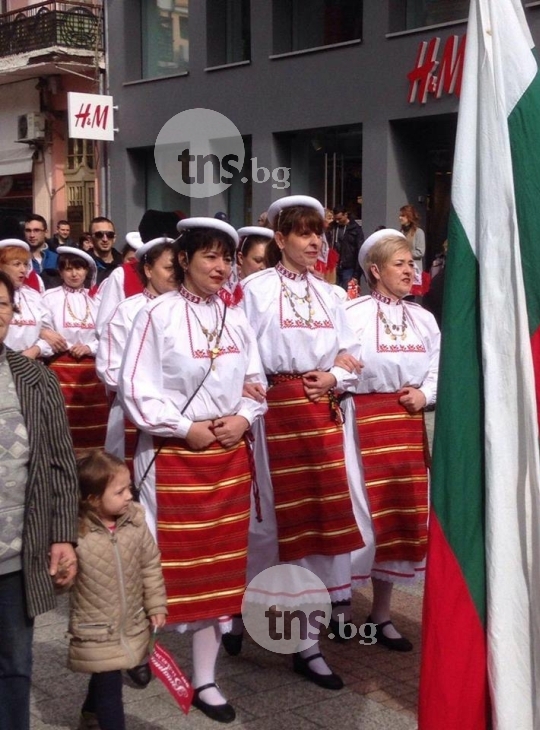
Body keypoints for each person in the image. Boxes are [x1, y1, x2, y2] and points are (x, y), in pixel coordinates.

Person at [119, 217, 267, 723]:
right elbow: (136, 389)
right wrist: (186, 429)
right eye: (210, 256)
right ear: (183, 260)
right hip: (172, 457)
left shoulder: (237, 320)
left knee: (218, 569)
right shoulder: (154, 315)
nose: (221, 267)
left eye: (226, 258)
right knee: (158, 562)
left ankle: (205, 679)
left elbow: (257, 382)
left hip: (226, 456)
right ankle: (134, 648)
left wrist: (242, 418)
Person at [240, 195, 363, 690]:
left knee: (321, 524)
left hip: (322, 415)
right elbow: (243, 350)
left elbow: (352, 355)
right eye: (304, 233)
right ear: (280, 239)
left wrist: (333, 375)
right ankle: (277, 628)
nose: (315, 242)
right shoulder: (253, 289)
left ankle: (308, 637)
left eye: (319, 233)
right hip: (273, 415)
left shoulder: (333, 295)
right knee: (279, 526)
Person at [342, 229, 440, 650]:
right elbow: (338, 362)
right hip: (359, 423)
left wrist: (424, 394)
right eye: (399, 263)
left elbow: (438, 368)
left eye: (410, 262)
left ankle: (381, 615)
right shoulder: (352, 313)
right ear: (375, 270)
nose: (409, 270)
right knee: (358, 517)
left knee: (399, 518)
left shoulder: (424, 318)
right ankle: (340, 609)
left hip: (405, 427)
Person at [0, 269, 78, 730]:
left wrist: (62, 535)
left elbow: (60, 463)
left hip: (15, 553)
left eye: (3, 305)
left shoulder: (33, 377)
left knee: (14, 665)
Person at [69, 449, 167, 730]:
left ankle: (89, 711)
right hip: (96, 627)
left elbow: (150, 564)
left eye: (129, 489)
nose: (129, 496)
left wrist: (156, 604)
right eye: (120, 491)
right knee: (111, 687)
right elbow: (62, 584)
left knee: (107, 671)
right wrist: (62, 575)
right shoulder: (77, 533)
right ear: (92, 499)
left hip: (131, 619)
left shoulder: (135, 522)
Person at [96, 237, 176, 469]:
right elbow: (109, 369)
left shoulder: (186, 309)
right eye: (168, 268)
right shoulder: (127, 311)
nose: (175, 274)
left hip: (180, 413)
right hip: (133, 412)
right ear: (149, 269)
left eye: (179, 268)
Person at [42, 247, 108, 450]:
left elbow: (107, 334)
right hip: (60, 369)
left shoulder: (96, 299)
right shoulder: (48, 297)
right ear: (60, 272)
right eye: (68, 269)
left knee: (93, 424)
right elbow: (45, 329)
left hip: (92, 373)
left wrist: (89, 347)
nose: (74, 274)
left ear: (87, 271)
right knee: (62, 420)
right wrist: (68, 345)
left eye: (79, 268)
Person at [0, 239, 61, 359]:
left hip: (30, 364)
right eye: (17, 264)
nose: (23, 270)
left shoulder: (33, 296)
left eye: (25, 264)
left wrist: (36, 349)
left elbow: (50, 336)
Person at [398, 204, 428, 297]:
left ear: (409, 217)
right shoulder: (400, 232)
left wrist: (405, 254)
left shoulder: (418, 232)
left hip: (413, 269)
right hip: (401, 268)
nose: (400, 218)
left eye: (403, 215)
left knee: (410, 297)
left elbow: (420, 252)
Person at [332, 206, 364, 290]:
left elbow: (360, 251)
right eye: (336, 219)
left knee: (347, 293)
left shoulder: (356, 229)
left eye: (339, 218)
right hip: (335, 266)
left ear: (345, 215)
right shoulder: (333, 228)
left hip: (349, 267)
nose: (337, 221)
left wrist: (356, 274)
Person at [24, 213, 60, 289]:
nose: (32, 235)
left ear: (46, 231)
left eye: (36, 230)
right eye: (28, 230)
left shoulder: (56, 258)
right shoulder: (19, 258)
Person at [89, 217, 123, 285]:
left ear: (114, 238)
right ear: (90, 239)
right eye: (99, 234)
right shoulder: (84, 264)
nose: (105, 239)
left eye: (109, 235)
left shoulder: (123, 263)